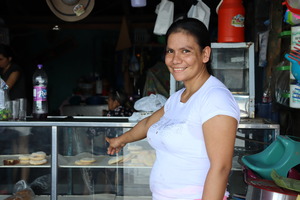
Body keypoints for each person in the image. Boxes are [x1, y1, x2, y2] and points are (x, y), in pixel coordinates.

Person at [106, 18, 240, 200]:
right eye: (170, 51)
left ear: (205, 54)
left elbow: (221, 168)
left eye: (185, 51)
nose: (175, 60)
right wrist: (121, 140)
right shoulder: (178, 98)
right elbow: (147, 124)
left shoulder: (215, 98)